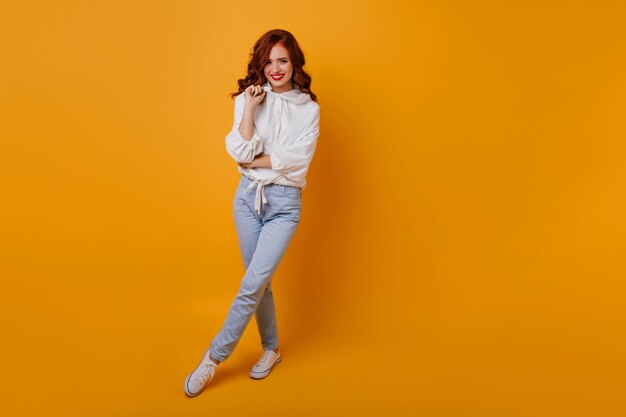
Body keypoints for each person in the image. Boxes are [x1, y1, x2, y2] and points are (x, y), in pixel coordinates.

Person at [184, 29, 320, 397]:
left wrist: (253, 161)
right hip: (246, 199)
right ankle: (272, 349)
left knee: (250, 286)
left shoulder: (308, 109)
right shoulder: (249, 98)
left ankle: (212, 358)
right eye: (269, 60)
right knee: (260, 283)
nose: (275, 69)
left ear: (295, 64)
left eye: (283, 60)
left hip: (284, 206)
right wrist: (249, 110)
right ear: (260, 63)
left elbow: (297, 161)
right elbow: (238, 148)